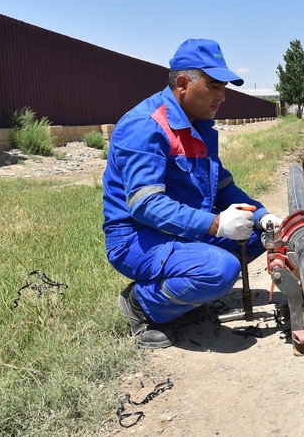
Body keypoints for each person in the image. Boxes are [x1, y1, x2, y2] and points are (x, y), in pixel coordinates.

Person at [102, 38, 283, 348]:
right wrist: (216, 225)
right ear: (183, 83)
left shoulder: (197, 125)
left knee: (258, 237)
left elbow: (223, 185)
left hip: (179, 230)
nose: (223, 96)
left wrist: (263, 216)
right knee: (220, 269)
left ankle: (187, 299)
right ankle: (141, 304)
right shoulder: (146, 126)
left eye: (223, 87)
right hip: (136, 237)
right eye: (214, 86)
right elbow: (144, 204)